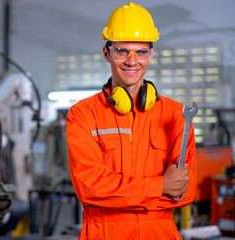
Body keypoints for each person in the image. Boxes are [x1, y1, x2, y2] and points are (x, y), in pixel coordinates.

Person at [66, 2, 197, 240]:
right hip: (103, 233)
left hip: (161, 233)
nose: (132, 60)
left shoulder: (176, 114)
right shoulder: (83, 114)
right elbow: (90, 188)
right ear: (107, 53)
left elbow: (183, 193)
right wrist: (160, 187)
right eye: (122, 51)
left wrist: (118, 194)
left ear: (151, 54)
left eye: (141, 52)